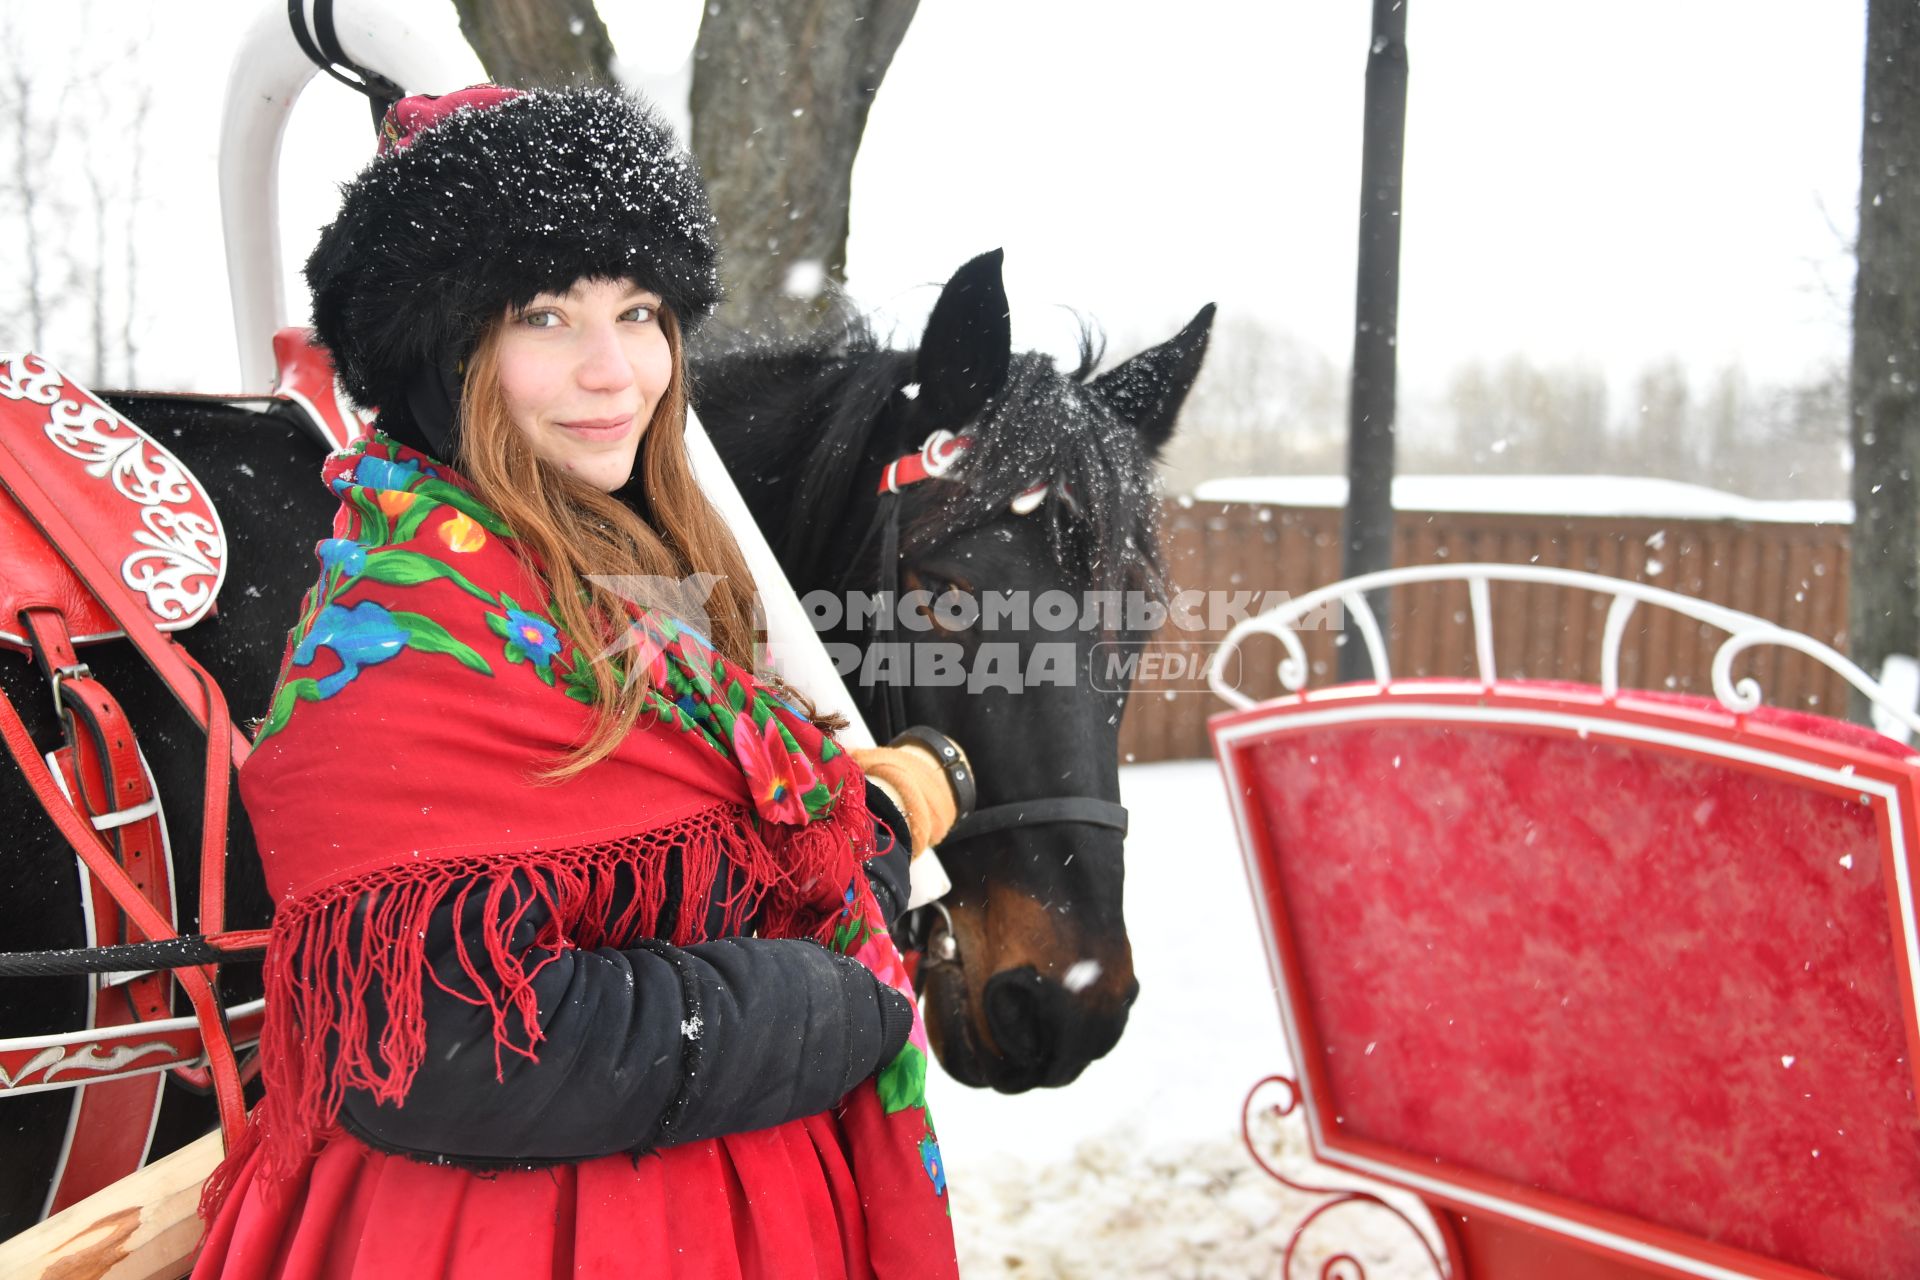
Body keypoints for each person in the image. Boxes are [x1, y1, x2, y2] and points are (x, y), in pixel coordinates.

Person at [192, 84, 966, 1279]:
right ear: (444, 348)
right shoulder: (400, 632)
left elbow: (722, 846)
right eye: (547, 315)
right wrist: (831, 1007)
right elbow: (447, 1051)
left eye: (642, 310)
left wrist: (868, 817)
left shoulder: (634, 571)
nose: (619, 372)